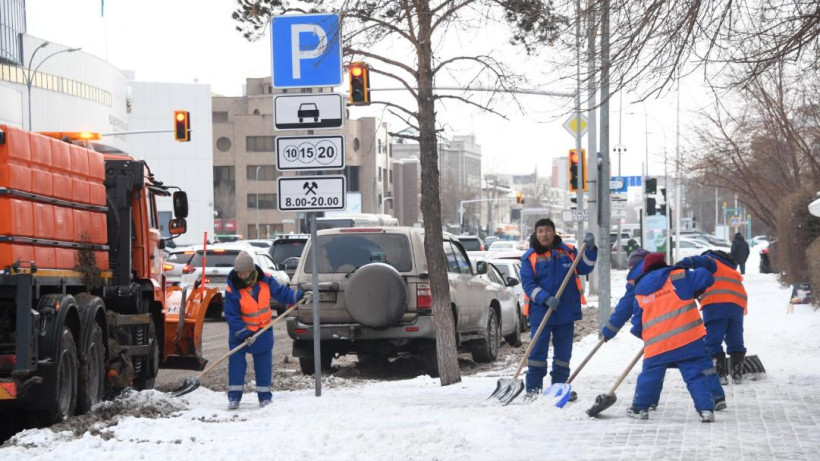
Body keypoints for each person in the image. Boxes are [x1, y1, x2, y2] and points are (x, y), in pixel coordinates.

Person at [604, 249, 726, 412]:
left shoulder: (638, 284)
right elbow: (706, 276)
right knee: (696, 373)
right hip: (689, 338)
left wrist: (644, 334)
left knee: (650, 374)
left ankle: (642, 407)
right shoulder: (677, 275)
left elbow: (632, 314)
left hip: (658, 342)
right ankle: (708, 406)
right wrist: (701, 263)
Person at [519, 218, 597, 400]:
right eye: (540, 231)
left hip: (565, 311)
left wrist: (591, 250)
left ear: (554, 232)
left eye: (547, 230)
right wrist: (544, 298)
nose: (544, 234)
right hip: (541, 312)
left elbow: (585, 268)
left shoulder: (569, 252)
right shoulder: (529, 257)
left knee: (563, 354)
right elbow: (528, 284)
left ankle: (559, 388)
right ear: (535, 234)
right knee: (537, 353)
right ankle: (533, 390)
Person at [224, 250, 307, 409]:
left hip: (263, 331)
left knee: (263, 366)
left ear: (252, 270)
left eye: (245, 273)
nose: (242, 276)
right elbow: (231, 315)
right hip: (240, 335)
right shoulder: (232, 288)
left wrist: (300, 295)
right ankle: (234, 398)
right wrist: (244, 333)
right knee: (236, 366)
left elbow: (282, 294)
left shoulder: (266, 280)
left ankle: (265, 397)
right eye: (240, 273)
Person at [678, 250, 747, 385]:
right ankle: (737, 373)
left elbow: (699, 261)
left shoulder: (711, 261)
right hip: (737, 306)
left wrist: (682, 264)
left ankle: (719, 374)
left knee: (713, 340)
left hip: (716, 305)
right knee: (735, 338)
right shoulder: (731, 269)